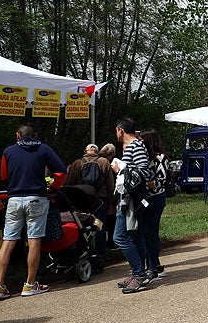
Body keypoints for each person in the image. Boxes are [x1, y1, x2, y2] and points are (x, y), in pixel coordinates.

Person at [0, 122, 66, 300]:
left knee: (8, 242)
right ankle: (30, 284)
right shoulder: (44, 149)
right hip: (36, 198)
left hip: (14, 199)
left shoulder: (8, 151)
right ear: (36, 135)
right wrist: (53, 188)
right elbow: (61, 172)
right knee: (34, 241)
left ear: (18, 135)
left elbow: (4, 176)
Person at [112, 118, 151, 294]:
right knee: (135, 237)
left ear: (120, 130)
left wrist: (121, 169)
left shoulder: (136, 146)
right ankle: (139, 273)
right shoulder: (134, 147)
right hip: (129, 198)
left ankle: (138, 273)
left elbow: (144, 171)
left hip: (131, 199)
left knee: (119, 237)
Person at [63, 142, 114, 263]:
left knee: (82, 226)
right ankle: (100, 255)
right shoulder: (104, 162)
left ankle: (82, 252)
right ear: (97, 151)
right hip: (99, 200)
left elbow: (68, 184)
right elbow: (110, 185)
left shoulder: (76, 163)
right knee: (99, 225)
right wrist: (111, 201)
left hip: (81, 200)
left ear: (85, 151)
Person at [139, 129, 170, 282]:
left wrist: (142, 184)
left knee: (151, 232)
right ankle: (154, 265)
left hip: (155, 198)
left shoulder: (161, 158)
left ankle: (152, 268)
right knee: (144, 233)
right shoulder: (143, 157)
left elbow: (160, 180)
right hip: (144, 198)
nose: (141, 143)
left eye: (143, 140)